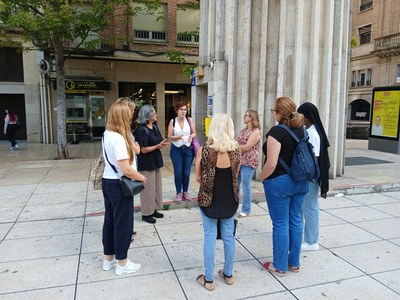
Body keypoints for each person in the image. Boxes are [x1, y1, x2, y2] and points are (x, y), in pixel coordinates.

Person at [259, 96, 309, 277]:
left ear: (279, 113)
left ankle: (279, 265)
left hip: (279, 182)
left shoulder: (276, 132)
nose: (273, 113)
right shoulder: (301, 130)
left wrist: (262, 178)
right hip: (301, 181)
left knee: (280, 223)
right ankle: (294, 262)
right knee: (295, 220)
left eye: (274, 110)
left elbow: (271, 163)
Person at [196, 113, 241, 291]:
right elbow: (235, 175)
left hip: (209, 200)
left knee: (209, 237)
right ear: (230, 128)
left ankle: (208, 279)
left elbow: (199, 177)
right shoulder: (237, 150)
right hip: (230, 199)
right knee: (229, 237)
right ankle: (228, 275)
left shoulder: (204, 150)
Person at [101, 100, 147, 276]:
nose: (131, 117)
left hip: (108, 181)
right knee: (123, 224)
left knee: (110, 222)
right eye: (129, 115)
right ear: (122, 117)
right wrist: (142, 177)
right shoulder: (119, 138)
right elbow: (126, 168)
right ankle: (122, 263)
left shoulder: (107, 134)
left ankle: (109, 259)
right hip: (120, 185)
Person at [297, 102, 330, 251]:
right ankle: (308, 238)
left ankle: (311, 241)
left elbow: (314, 160)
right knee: (307, 207)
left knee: (310, 208)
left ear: (307, 118)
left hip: (311, 177)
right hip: (310, 177)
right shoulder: (309, 130)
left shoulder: (313, 134)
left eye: (301, 116)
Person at [135, 105, 169, 224]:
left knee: (156, 188)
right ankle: (146, 213)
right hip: (146, 163)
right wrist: (157, 146)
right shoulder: (141, 130)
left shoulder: (154, 127)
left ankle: (153, 209)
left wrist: (162, 143)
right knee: (147, 190)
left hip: (155, 161)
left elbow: (158, 140)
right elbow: (143, 149)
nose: (156, 115)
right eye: (154, 113)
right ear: (148, 115)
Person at [168, 102, 197, 201]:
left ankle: (185, 191)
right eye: (181, 109)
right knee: (178, 173)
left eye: (185, 109)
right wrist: (177, 137)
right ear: (177, 110)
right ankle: (178, 193)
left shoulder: (189, 120)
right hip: (176, 150)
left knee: (186, 172)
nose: (184, 111)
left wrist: (190, 136)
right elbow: (169, 137)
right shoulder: (173, 121)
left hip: (188, 149)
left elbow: (194, 133)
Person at [236, 110, 261, 217]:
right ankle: (233, 207)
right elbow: (235, 142)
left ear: (252, 117)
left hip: (249, 162)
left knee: (246, 186)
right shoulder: (243, 130)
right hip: (239, 161)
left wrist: (233, 148)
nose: (244, 117)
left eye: (246, 115)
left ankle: (246, 209)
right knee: (235, 185)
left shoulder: (256, 132)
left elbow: (247, 147)